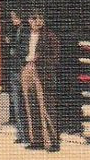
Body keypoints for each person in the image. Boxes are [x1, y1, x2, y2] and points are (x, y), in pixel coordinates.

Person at [20, 8, 63, 151]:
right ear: (29, 20)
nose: (37, 21)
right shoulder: (25, 35)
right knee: (30, 105)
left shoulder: (50, 36)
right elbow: (17, 51)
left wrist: (40, 58)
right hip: (28, 69)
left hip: (44, 71)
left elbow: (56, 58)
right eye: (33, 18)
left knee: (46, 105)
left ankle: (51, 142)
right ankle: (36, 140)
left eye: (39, 18)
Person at [4, 9, 31, 144]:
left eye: (14, 17)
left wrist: (12, 46)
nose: (13, 19)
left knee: (24, 103)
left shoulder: (26, 31)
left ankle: (27, 135)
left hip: (21, 69)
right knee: (17, 103)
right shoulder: (15, 30)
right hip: (15, 69)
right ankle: (21, 134)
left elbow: (24, 50)